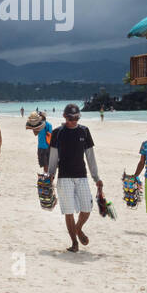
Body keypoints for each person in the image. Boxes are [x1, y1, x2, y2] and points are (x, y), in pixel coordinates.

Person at [47, 104, 103, 252]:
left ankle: (78, 229)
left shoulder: (84, 131)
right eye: (71, 118)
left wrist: (96, 177)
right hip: (64, 177)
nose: (74, 121)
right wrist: (50, 175)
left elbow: (90, 156)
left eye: (77, 118)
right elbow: (53, 157)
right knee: (69, 212)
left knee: (87, 208)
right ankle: (74, 243)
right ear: (65, 117)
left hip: (82, 176)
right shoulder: (57, 133)